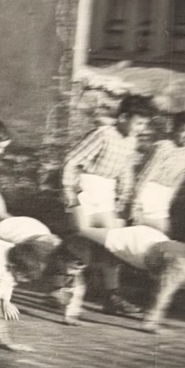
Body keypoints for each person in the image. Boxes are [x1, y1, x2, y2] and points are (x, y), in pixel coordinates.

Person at [60, 95, 155, 316]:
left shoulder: (131, 140)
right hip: (85, 186)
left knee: (112, 244)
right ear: (123, 117)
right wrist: (68, 190)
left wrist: (124, 198)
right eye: (138, 123)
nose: (141, 128)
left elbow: (125, 170)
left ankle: (111, 297)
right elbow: (72, 160)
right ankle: (61, 288)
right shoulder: (102, 134)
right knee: (80, 238)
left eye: (144, 124)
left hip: (106, 192)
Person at [65, 223, 185, 333]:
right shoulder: (182, 264)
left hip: (156, 242)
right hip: (136, 245)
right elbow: (163, 292)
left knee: (103, 252)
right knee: (84, 229)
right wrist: (151, 321)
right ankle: (63, 244)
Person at [132, 111, 185, 235]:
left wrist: (165, 209)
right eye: (184, 131)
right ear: (175, 130)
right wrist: (134, 207)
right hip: (143, 199)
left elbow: (176, 185)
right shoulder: (163, 147)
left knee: (163, 237)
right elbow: (144, 176)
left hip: (161, 205)